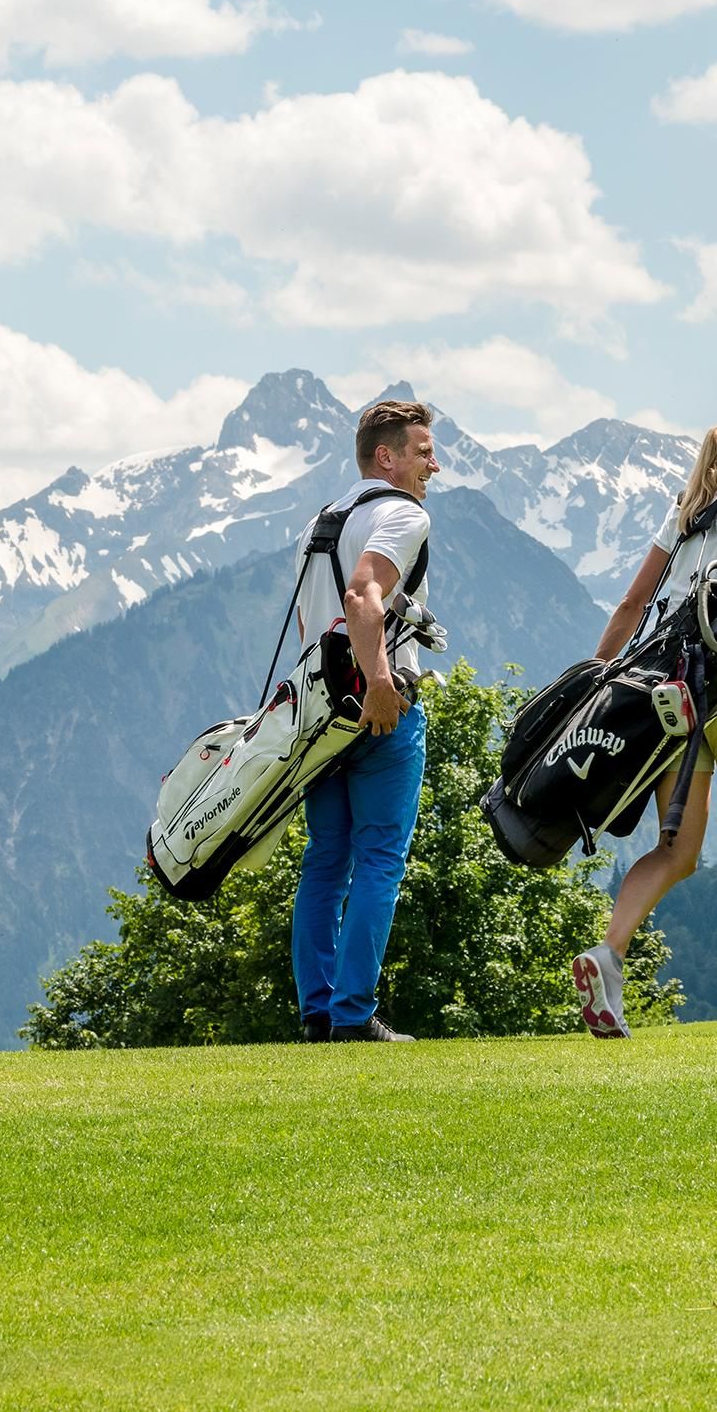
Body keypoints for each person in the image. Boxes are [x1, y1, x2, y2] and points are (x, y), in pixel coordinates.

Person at [572, 387, 717, 1039]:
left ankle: (609, 951)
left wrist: (594, 681)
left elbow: (630, 604)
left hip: (666, 687)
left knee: (675, 850)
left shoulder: (689, 507)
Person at [293, 398, 441, 1044]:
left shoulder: (318, 523)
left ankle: (316, 1013)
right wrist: (381, 682)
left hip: (317, 717)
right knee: (380, 857)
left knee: (325, 860)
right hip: (380, 712)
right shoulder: (402, 515)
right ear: (387, 457)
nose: (434, 463)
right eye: (423, 450)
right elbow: (362, 594)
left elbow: (309, 622)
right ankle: (353, 1016)